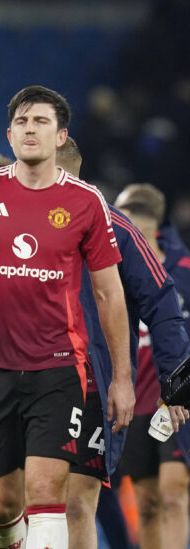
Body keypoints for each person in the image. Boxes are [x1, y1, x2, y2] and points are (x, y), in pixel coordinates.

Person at [0, 81, 190, 549]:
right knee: (3, 503)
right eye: (23, 124)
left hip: (79, 375)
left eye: (41, 124)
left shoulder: (104, 218)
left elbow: (157, 302)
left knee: (69, 501)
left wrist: (173, 381)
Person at [115, 185, 190, 549]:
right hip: (136, 400)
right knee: (146, 503)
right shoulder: (110, 272)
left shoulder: (184, 270)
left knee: (174, 493)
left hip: (176, 401)